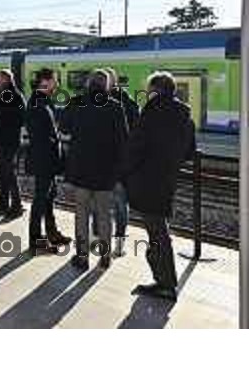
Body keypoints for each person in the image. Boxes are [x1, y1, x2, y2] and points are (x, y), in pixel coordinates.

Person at [122, 71, 195, 301]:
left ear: (155, 91)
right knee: (159, 230)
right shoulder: (185, 115)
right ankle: (164, 281)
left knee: (157, 233)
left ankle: (165, 284)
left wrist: (123, 174)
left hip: (147, 181)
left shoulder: (151, 114)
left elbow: (135, 148)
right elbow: (189, 152)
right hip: (167, 180)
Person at [60, 69, 128, 270]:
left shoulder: (76, 102)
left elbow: (63, 128)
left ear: (89, 84)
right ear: (107, 85)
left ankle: (82, 257)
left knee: (81, 213)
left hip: (81, 169)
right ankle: (105, 256)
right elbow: (123, 139)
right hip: (106, 170)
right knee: (104, 214)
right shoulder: (116, 107)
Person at [26, 68, 71, 255]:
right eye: (55, 80)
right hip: (43, 160)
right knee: (40, 200)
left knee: (48, 198)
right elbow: (42, 136)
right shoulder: (37, 103)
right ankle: (36, 241)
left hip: (47, 160)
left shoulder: (42, 101)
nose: (57, 84)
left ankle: (52, 233)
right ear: (46, 81)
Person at [103, 67, 140, 257]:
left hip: (102, 164)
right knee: (120, 205)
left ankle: (101, 241)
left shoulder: (99, 102)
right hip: (120, 164)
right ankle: (118, 245)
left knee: (100, 204)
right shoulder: (128, 102)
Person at [0, 69, 26, 220]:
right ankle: (3, 204)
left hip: (8, 141)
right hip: (2, 140)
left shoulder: (13, 96)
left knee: (9, 173)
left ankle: (16, 206)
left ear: (6, 80)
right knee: (3, 173)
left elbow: (17, 118)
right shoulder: (1, 94)